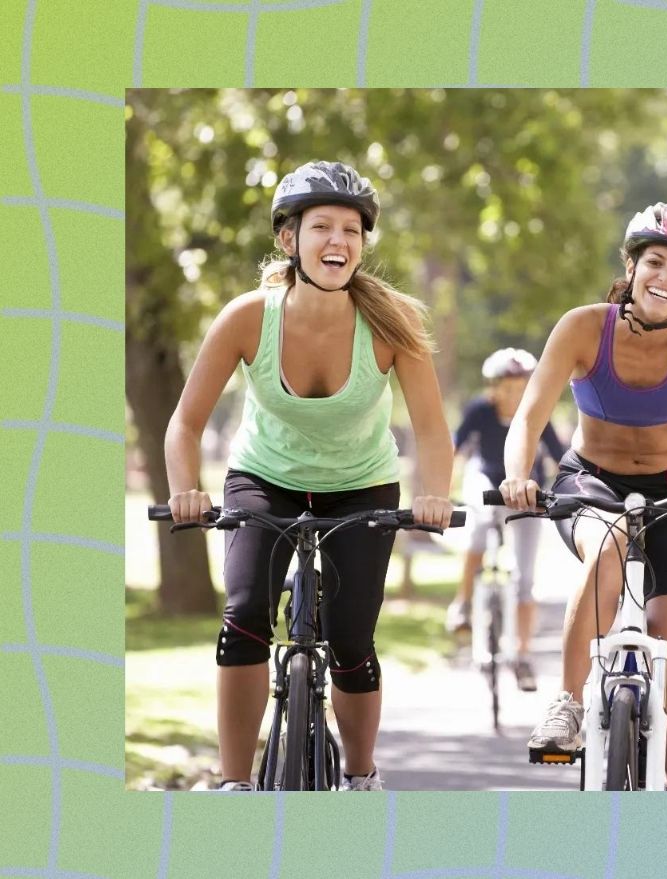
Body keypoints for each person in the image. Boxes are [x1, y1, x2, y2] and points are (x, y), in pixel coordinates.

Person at [163, 160, 455, 791]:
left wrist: (434, 496)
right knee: (243, 619)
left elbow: (431, 429)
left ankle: (360, 776)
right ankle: (235, 785)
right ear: (288, 239)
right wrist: (185, 489)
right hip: (263, 478)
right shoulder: (248, 317)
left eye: (352, 230)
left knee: (351, 638)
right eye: (322, 226)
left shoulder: (391, 323)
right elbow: (185, 423)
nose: (339, 242)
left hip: (362, 485)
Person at [498, 202, 667, 791]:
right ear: (631, 265)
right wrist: (518, 474)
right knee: (608, 543)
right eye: (655, 262)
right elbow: (527, 418)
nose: (666, 279)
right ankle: (567, 706)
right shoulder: (582, 327)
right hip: (590, 479)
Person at [445, 347, 566, 691]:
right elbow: (455, 447)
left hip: (527, 491)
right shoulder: (480, 410)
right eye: (507, 385)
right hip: (486, 482)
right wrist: (443, 486)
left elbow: (559, 457)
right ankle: (464, 603)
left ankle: (523, 656)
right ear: (493, 386)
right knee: (478, 534)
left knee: (525, 578)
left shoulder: (537, 410)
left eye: (521, 385)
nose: (514, 392)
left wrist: (561, 495)